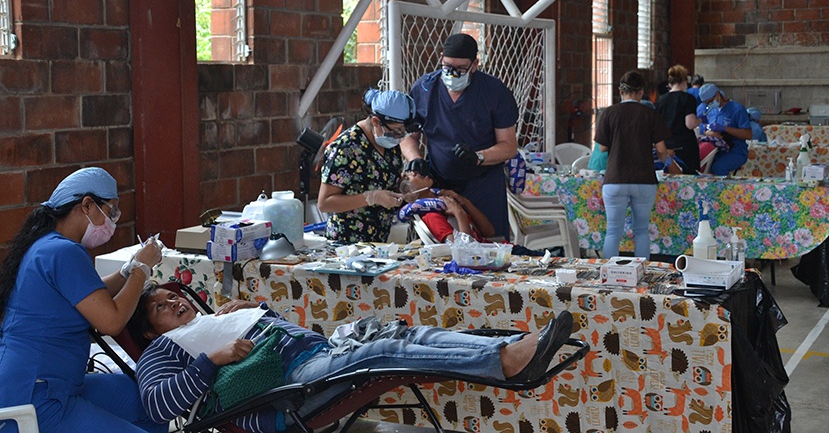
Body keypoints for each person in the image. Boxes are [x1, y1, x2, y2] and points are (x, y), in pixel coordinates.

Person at [128, 284, 575, 433]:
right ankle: (507, 363)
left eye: (175, 297)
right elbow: (158, 406)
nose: (176, 305)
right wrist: (214, 356)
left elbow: (290, 335)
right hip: (290, 391)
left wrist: (256, 312)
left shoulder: (215, 318)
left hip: (315, 356)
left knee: (402, 332)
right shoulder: (161, 351)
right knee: (383, 353)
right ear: (149, 330)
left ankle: (506, 352)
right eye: (161, 308)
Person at [0, 167, 165, 433]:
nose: (112, 221)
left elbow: (92, 294)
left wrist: (128, 269)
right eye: (110, 211)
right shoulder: (63, 251)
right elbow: (110, 322)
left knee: (149, 402)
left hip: (57, 382)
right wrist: (141, 270)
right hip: (36, 396)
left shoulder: (49, 245)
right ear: (87, 205)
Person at [402, 33, 518, 239]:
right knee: (445, 245)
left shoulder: (494, 92)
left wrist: (478, 156)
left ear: (474, 65)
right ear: (440, 58)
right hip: (439, 181)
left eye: (461, 69)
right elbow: (408, 136)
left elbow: (508, 146)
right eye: (447, 67)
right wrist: (415, 158)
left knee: (492, 243)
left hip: (483, 182)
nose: (453, 74)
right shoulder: (425, 89)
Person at [318, 89, 420, 244]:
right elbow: (324, 203)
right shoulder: (346, 148)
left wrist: (404, 188)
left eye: (403, 133)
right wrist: (370, 198)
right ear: (376, 122)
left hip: (379, 242)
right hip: (347, 243)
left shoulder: (389, 143)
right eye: (397, 131)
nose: (399, 137)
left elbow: (386, 180)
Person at [594, 72, 671, 259]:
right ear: (641, 92)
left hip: (615, 178)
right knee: (642, 231)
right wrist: (663, 158)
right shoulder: (650, 113)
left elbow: (603, 147)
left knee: (613, 231)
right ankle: (641, 274)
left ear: (620, 91)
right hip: (644, 179)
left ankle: (608, 275)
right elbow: (662, 149)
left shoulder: (609, 113)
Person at [398, 168, 495, 243]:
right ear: (410, 193)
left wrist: (465, 202)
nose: (415, 173)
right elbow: (464, 249)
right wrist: (459, 213)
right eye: (408, 178)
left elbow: (489, 232)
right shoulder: (432, 217)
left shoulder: (448, 202)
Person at [696, 84, 753, 175]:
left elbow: (748, 135)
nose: (709, 105)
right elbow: (703, 130)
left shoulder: (737, 109)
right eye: (706, 103)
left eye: (710, 101)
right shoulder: (710, 111)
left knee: (718, 168)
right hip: (715, 150)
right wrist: (709, 133)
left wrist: (724, 129)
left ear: (718, 95)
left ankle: (725, 189)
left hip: (736, 151)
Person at [655, 64, 702, 174]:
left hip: (666, 145)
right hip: (684, 146)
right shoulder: (688, 98)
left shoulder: (661, 100)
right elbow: (690, 124)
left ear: (670, 84)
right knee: (688, 178)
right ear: (685, 82)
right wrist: (700, 120)